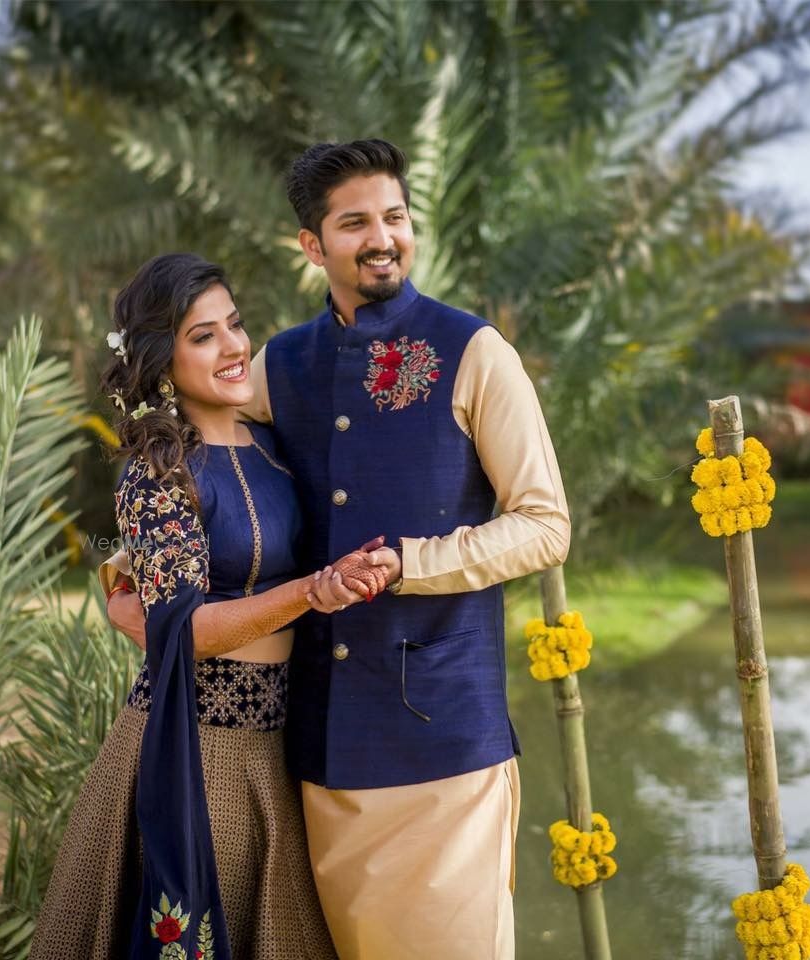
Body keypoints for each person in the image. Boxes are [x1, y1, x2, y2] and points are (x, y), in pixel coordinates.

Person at [110, 139, 571, 959]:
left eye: (393, 216)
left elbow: (545, 524)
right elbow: (197, 432)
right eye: (354, 222)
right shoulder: (281, 362)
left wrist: (411, 563)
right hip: (316, 751)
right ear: (312, 246)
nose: (381, 237)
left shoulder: (475, 352)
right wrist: (129, 567)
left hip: (445, 747)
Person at [29, 253, 376, 960]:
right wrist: (311, 591)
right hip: (194, 746)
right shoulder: (158, 474)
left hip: (282, 748)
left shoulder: (278, 451)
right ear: (163, 358)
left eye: (235, 325)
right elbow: (185, 635)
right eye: (203, 335)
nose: (234, 347)